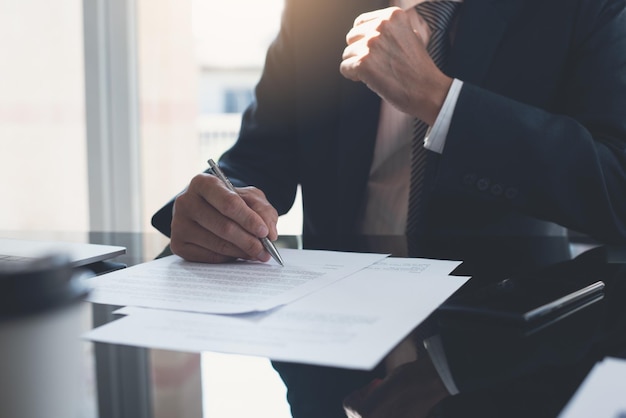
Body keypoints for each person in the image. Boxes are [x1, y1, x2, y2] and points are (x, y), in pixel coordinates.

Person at [151, 0, 626, 416]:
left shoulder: (580, 7)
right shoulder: (313, 9)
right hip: (325, 340)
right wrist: (220, 203)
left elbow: (616, 182)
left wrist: (442, 101)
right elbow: (257, 157)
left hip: (504, 337)